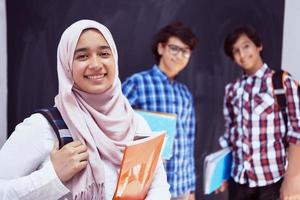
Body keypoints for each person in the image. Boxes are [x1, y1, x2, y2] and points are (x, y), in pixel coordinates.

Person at [0, 19, 170, 200]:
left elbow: (158, 187)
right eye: (82, 56)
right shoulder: (43, 126)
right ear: (67, 65)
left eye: (104, 53)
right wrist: (53, 176)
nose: (96, 64)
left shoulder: (136, 124)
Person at [216, 26, 300, 200]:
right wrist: (221, 175)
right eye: (236, 51)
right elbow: (230, 137)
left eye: (246, 46)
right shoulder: (232, 90)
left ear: (259, 46)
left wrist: (292, 179)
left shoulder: (282, 83)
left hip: (273, 181)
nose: (242, 54)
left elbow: (297, 131)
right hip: (239, 182)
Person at [122, 22, 198, 200]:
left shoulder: (185, 94)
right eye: (174, 48)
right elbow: (115, 126)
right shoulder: (137, 83)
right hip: (147, 186)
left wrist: (191, 190)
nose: (180, 56)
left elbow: (189, 143)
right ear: (161, 48)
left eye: (185, 51)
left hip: (181, 187)